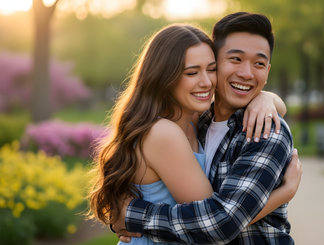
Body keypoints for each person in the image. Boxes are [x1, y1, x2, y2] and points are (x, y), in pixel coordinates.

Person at [89, 22, 301, 245]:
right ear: (164, 76)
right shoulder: (165, 133)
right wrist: (284, 192)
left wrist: (266, 98)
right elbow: (216, 225)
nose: (206, 81)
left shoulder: (197, 121)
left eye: (210, 69)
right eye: (192, 72)